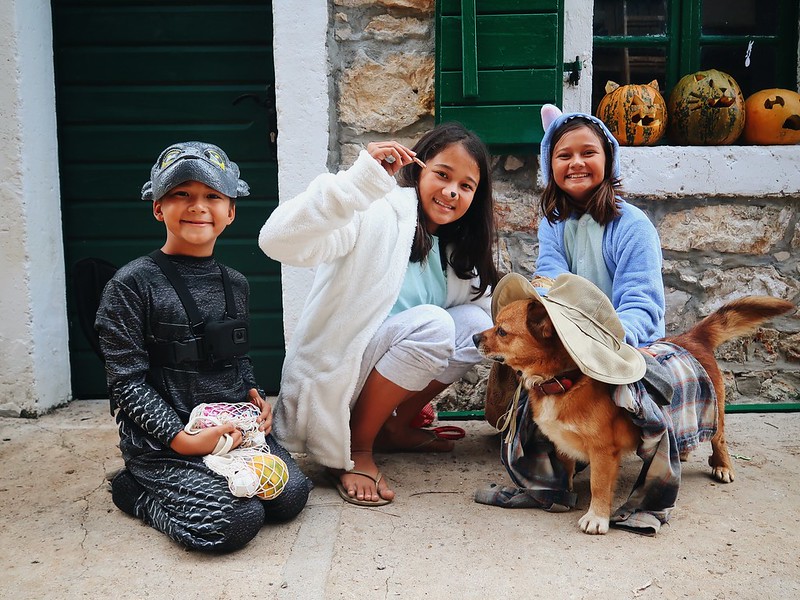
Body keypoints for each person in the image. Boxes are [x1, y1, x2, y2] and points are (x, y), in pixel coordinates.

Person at [259, 122, 499, 506]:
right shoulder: (374, 213)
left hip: (382, 377)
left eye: (466, 186)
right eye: (442, 174)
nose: (452, 191)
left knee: (477, 326)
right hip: (338, 378)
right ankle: (357, 446)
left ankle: (395, 424)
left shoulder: (457, 251)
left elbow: (486, 314)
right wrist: (354, 184)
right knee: (434, 325)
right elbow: (276, 240)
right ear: (418, 168)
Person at [96, 141, 310, 552]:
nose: (198, 206)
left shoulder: (235, 283)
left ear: (230, 212)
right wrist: (181, 440)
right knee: (235, 521)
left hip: (230, 434)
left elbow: (236, 357)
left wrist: (254, 396)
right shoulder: (131, 285)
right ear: (158, 207)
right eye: (182, 195)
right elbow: (126, 382)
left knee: (290, 496)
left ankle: (206, 481)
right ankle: (134, 489)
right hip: (165, 444)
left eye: (213, 196)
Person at [534, 104, 665, 346]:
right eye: (564, 156)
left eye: (588, 153)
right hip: (574, 342)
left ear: (608, 160)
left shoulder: (633, 226)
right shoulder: (553, 225)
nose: (576, 163)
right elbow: (550, 277)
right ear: (550, 166)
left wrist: (611, 341)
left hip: (631, 345)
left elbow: (641, 302)